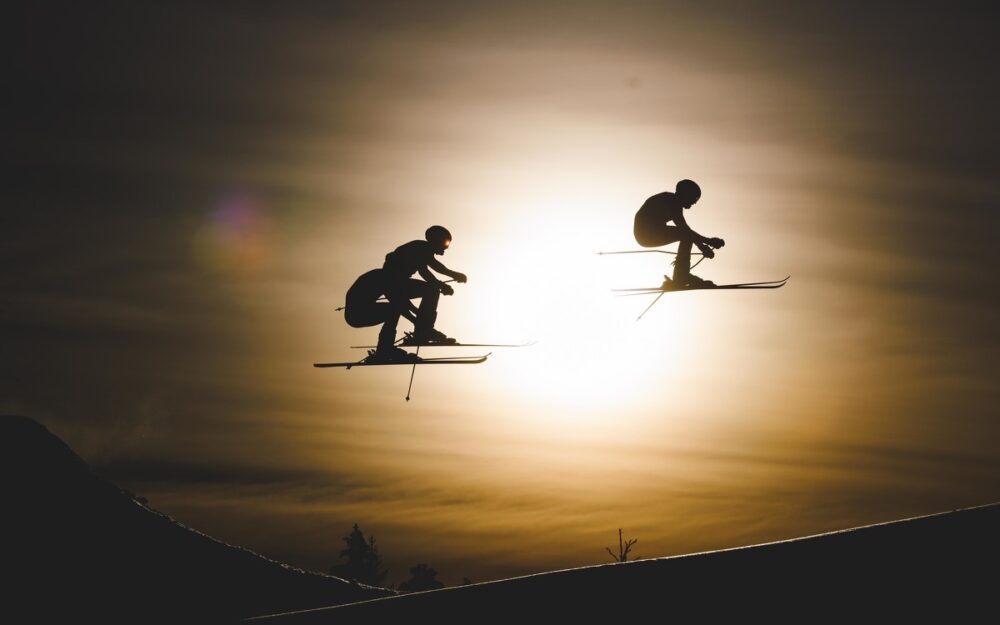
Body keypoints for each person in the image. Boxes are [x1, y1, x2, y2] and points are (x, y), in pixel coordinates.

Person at [344, 226, 468, 362]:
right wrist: (420, 323)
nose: (444, 251)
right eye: (444, 245)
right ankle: (386, 350)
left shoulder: (415, 254)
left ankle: (413, 336)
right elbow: (401, 303)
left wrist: (447, 280)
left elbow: (430, 269)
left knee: (430, 290)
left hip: (361, 310)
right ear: (435, 240)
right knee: (395, 309)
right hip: (356, 314)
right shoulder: (390, 277)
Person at [633, 179, 725, 288]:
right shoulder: (672, 202)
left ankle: (681, 275)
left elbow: (685, 230)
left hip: (646, 233)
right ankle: (681, 276)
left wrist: (704, 244)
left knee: (685, 235)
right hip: (646, 233)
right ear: (685, 194)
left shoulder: (671, 200)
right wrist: (706, 243)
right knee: (685, 236)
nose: (694, 203)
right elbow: (685, 230)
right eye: (693, 199)